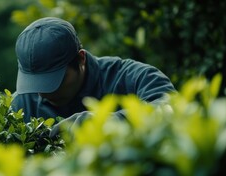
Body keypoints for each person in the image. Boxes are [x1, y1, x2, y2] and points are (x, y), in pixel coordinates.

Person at [11, 17, 176, 136]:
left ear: (81, 59)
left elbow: (170, 108)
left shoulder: (132, 77)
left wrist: (107, 122)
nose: (41, 92)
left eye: (52, 80)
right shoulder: (20, 104)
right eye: (34, 82)